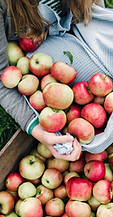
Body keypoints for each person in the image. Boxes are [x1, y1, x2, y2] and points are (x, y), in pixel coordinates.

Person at [0, 0, 113, 161]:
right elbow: (1, 77)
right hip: (36, 47)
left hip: (76, 20)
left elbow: (90, 6)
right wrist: (38, 130)